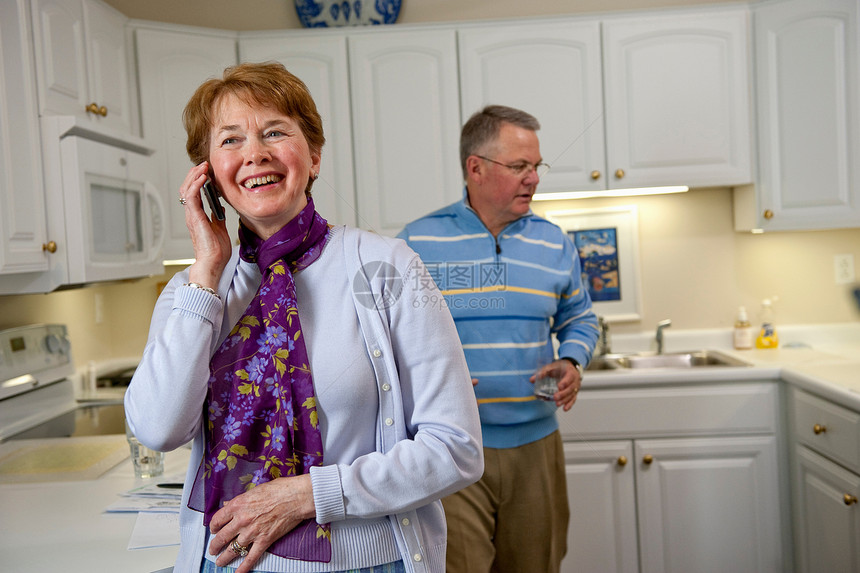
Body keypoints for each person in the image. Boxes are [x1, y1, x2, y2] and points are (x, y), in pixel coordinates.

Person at [124, 62, 483, 573]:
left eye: (275, 132)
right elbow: (158, 430)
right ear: (206, 174)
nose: (254, 153)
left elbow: (456, 449)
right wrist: (206, 269)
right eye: (229, 140)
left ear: (313, 157)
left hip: (364, 564)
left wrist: (305, 496)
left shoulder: (388, 267)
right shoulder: (194, 290)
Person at [397, 105, 599, 572]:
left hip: (535, 446)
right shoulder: (416, 243)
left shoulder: (554, 242)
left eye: (536, 166)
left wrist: (572, 361)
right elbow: (388, 338)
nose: (534, 179)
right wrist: (421, 383)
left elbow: (581, 318)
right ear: (476, 168)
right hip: (449, 446)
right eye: (520, 166)